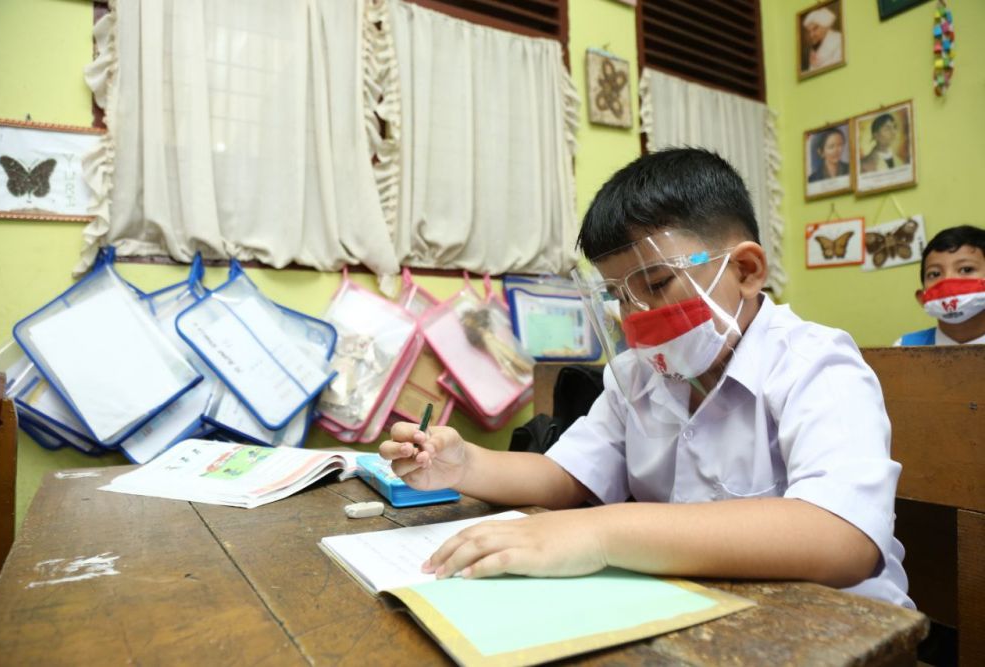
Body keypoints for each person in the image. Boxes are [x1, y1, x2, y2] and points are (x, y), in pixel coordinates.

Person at [381, 148, 912, 609]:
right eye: (617, 296)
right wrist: (465, 464)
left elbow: (842, 537)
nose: (633, 315)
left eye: (656, 283)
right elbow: (567, 476)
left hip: (835, 628)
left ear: (746, 270)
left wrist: (603, 532)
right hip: (700, 607)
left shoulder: (816, 363)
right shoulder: (640, 375)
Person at [896, 225, 985, 346]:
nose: (947, 281)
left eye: (966, 269)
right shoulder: (904, 347)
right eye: (935, 274)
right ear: (922, 298)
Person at [803, 7, 843, 72]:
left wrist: (816, 66)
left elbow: (836, 68)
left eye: (815, 29)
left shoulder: (838, 39)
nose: (811, 35)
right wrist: (813, 65)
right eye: (809, 31)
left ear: (825, 26)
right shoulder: (816, 47)